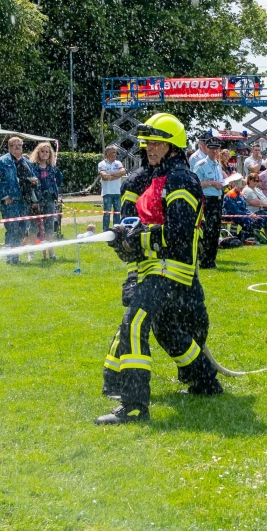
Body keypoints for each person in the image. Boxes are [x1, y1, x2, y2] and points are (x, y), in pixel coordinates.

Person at [99, 112, 221, 423]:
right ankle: (206, 382)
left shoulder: (181, 180)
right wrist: (127, 239)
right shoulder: (155, 179)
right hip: (157, 270)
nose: (150, 148)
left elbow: (179, 234)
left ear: (173, 146)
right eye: (148, 143)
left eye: (158, 143)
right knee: (166, 330)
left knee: (135, 323)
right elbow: (149, 229)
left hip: (171, 271)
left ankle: (135, 406)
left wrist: (144, 236)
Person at [0, 136, 34, 263]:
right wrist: (5, 197)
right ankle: (11, 258)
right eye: (14, 145)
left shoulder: (27, 162)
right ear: (9, 147)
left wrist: (34, 181)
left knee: (23, 229)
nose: (17, 148)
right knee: (12, 229)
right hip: (11, 203)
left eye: (19, 145)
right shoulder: (3, 161)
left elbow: (32, 176)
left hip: (24, 201)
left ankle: (15, 254)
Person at [195, 138, 225, 269]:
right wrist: (212, 183)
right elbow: (195, 184)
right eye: (212, 149)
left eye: (216, 149)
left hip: (218, 200)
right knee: (206, 231)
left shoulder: (218, 165)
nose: (214, 151)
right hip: (207, 200)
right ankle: (204, 260)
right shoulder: (201, 165)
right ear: (206, 149)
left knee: (215, 230)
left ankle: (211, 259)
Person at [31, 142, 62, 243]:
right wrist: (34, 200)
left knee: (50, 225)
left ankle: (51, 251)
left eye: (47, 152)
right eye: (42, 151)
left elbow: (60, 178)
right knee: (34, 225)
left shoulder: (52, 168)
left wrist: (55, 190)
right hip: (36, 200)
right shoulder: (32, 167)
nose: (45, 153)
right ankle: (31, 251)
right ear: (38, 153)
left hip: (49, 199)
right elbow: (29, 185)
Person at [98, 145, 127, 231]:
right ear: (108, 153)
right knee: (107, 212)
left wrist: (110, 175)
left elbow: (122, 171)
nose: (115, 154)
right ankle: (105, 230)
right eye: (113, 152)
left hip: (117, 192)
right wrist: (116, 175)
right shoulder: (102, 164)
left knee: (117, 212)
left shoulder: (118, 163)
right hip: (107, 192)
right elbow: (104, 176)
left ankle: (116, 230)